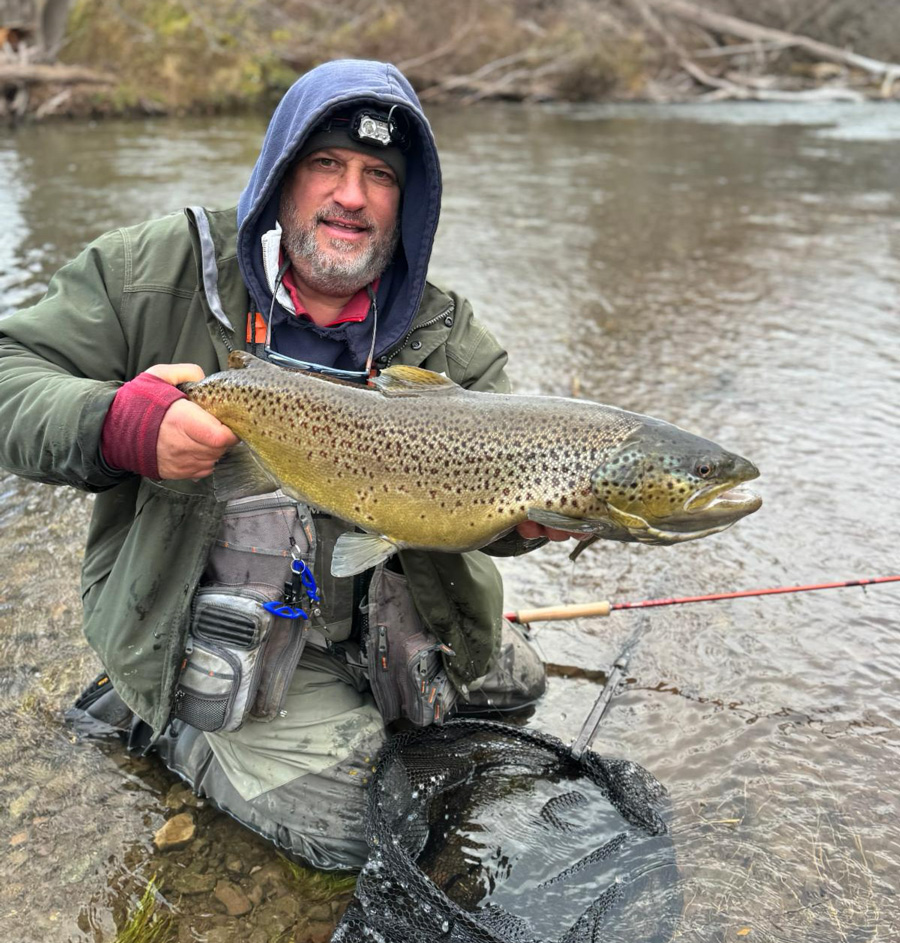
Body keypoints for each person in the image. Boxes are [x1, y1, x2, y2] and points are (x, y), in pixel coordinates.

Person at [0, 59, 577, 871]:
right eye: (326, 165)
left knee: (517, 686)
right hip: (231, 612)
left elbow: (494, 511)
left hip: (379, 603)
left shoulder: (445, 333)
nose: (352, 195)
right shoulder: (160, 270)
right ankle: (170, 723)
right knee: (364, 831)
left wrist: (532, 525)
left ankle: (374, 679)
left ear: (406, 205)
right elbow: (9, 369)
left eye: (380, 175)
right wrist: (115, 424)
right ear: (280, 178)